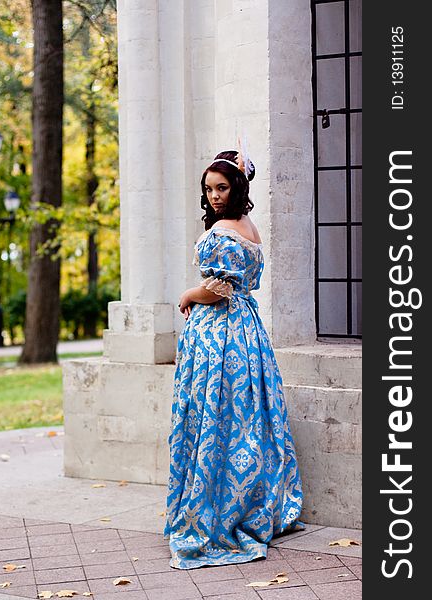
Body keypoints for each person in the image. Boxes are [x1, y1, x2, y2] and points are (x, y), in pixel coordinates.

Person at [164, 149, 304, 570]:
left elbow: (220, 288)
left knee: (215, 414)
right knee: (244, 414)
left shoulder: (225, 230)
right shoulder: (249, 227)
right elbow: (240, 286)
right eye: (208, 189)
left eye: (222, 187)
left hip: (220, 335)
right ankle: (252, 500)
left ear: (238, 186)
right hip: (246, 331)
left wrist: (190, 294)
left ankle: (216, 507)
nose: (214, 196)